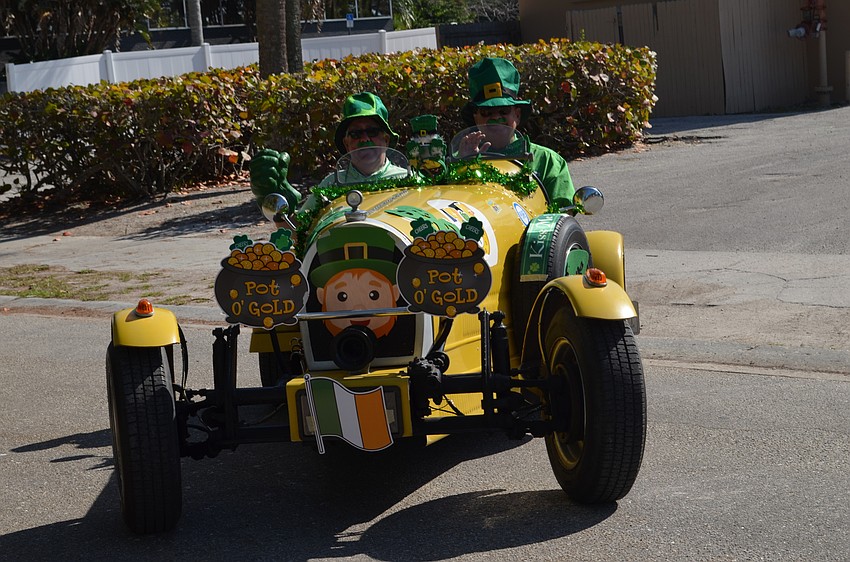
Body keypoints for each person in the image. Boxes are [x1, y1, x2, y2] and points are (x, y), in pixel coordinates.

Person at [249, 92, 408, 212]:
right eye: (355, 134)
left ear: (386, 139)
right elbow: (298, 232)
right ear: (347, 144)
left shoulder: (408, 180)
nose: (365, 139)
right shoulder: (331, 184)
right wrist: (278, 205)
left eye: (372, 132)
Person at [459, 57, 576, 209]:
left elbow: (563, 216)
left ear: (517, 115)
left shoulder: (548, 161)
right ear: (475, 117)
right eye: (486, 112)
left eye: (503, 111)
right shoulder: (461, 157)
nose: (496, 117)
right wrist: (464, 166)